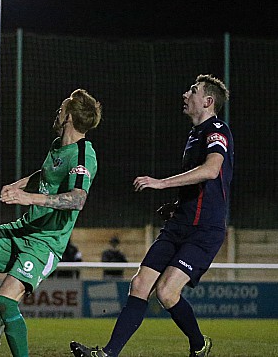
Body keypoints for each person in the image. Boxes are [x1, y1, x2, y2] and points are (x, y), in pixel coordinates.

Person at [71, 74, 233, 357]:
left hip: (204, 230)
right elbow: (200, 186)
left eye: (192, 91)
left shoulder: (217, 129)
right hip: (179, 223)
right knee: (139, 283)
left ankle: (199, 344)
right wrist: (176, 204)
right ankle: (108, 353)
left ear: (207, 101)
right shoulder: (195, 134)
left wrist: (160, 182)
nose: (185, 95)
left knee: (167, 293)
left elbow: (211, 170)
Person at [0, 89, 102, 357]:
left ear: (68, 117)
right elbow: (45, 175)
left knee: (7, 301)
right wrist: (18, 185)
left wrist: (27, 197)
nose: (57, 113)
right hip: (23, 230)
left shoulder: (83, 155)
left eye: (61, 108)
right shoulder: (58, 147)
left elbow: (77, 199)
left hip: (45, 243)